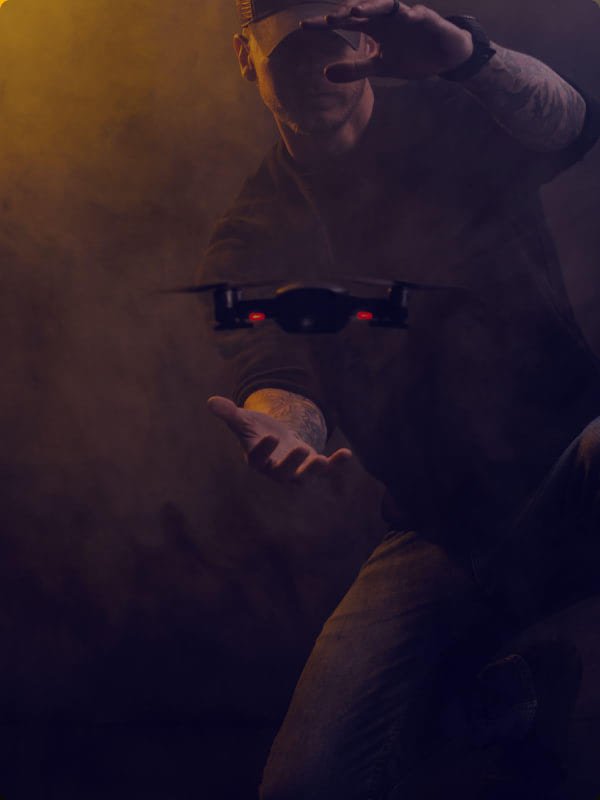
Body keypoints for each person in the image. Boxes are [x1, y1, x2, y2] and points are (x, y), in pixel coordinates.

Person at [199, 1, 600, 797]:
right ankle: (492, 684)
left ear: (369, 37)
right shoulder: (252, 235)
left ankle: (514, 677)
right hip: (440, 531)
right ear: (247, 57)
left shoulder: (452, 120)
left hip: (574, 463)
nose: (318, 69)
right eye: (290, 51)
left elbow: (574, 126)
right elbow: (277, 370)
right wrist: (282, 426)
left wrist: (470, 57)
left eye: (334, 41)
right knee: (303, 784)